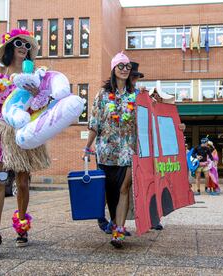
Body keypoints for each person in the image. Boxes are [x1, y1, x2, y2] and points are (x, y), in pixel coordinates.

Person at [0, 28, 50, 258]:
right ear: (9, 48)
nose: (23, 48)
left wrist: (38, 93)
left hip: (24, 130)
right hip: (1, 129)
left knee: (23, 182)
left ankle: (22, 226)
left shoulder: (34, 73)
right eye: (19, 44)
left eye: (27, 46)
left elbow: (41, 106)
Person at [84, 52, 136, 248]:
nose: (124, 69)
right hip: (106, 151)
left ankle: (118, 232)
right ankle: (115, 222)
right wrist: (87, 145)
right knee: (110, 191)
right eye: (120, 66)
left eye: (127, 66)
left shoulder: (136, 96)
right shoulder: (102, 95)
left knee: (124, 188)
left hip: (129, 151)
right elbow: (94, 122)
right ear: (113, 69)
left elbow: (147, 121)